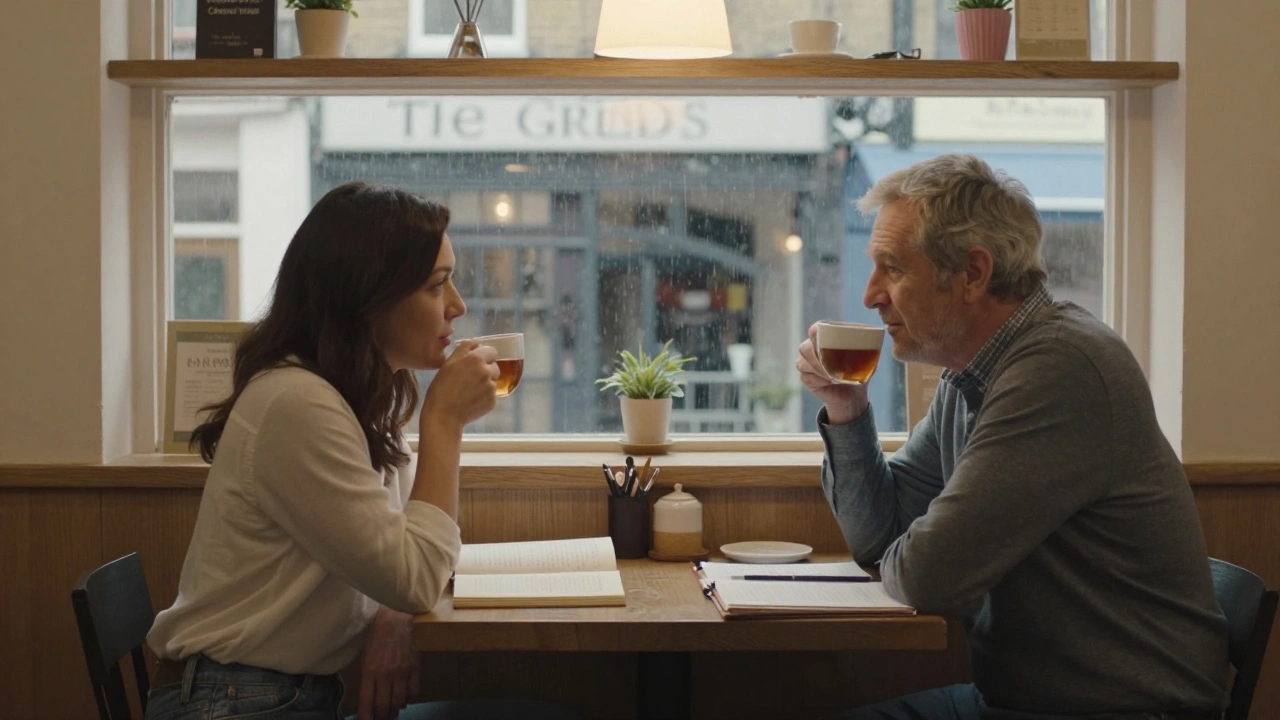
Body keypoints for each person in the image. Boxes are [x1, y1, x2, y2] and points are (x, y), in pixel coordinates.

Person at [795, 154, 1229, 720]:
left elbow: (928, 577)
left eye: (892, 268)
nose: (871, 294)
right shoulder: (970, 374)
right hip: (1021, 702)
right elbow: (881, 536)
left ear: (973, 274)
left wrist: (919, 550)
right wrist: (846, 408)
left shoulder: (1059, 369)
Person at [145, 182, 577, 720]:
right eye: (437, 285)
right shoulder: (296, 403)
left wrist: (393, 617)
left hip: (272, 695)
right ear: (369, 299)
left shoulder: (358, 398)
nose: (458, 306)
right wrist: (444, 421)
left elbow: (407, 556)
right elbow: (416, 574)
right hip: (231, 701)